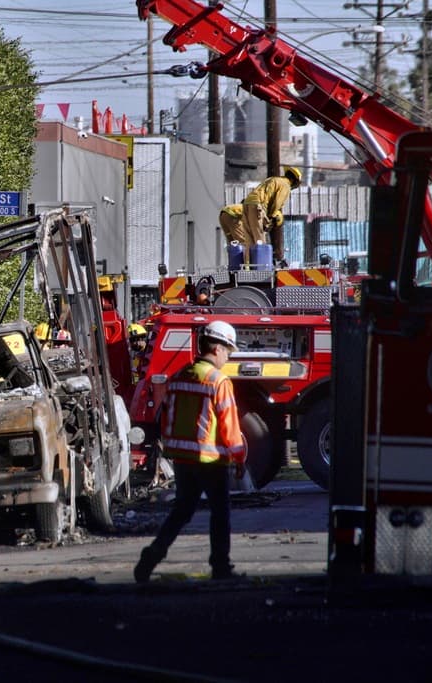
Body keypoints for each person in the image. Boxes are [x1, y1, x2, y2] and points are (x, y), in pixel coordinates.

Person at [134, 320, 247, 583]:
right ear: (217, 349)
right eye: (228, 351)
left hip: (183, 460)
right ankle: (220, 567)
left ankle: (152, 555)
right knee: (220, 513)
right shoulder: (218, 382)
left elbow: (167, 417)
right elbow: (230, 427)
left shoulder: (180, 376)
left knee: (182, 511)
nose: (228, 357)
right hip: (211, 461)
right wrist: (239, 456)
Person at [242, 166, 302, 267]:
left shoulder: (273, 179)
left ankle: (247, 267)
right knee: (260, 240)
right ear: (293, 180)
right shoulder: (285, 185)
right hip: (258, 206)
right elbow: (277, 203)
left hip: (247, 204)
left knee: (249, 240)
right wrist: (270, 217)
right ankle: (261, 268)